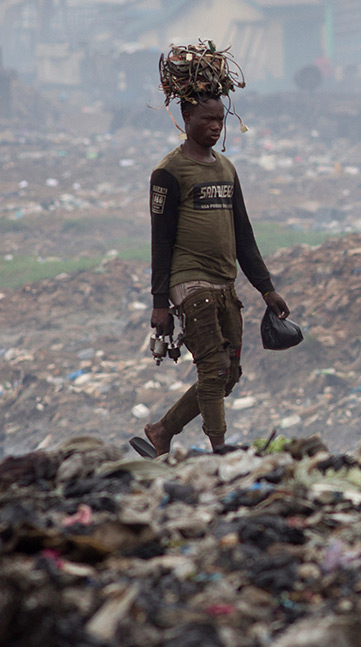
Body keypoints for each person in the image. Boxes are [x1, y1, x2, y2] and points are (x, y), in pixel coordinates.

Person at [141, 94, 289, 456]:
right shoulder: (169, 172)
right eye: (207, 119)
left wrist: (266, 289)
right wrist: (160, 303)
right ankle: (219, 449)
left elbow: (243, 233)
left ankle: (163, 430)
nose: (215, 127)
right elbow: (160, 241)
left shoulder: (226, 169)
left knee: (230, 373)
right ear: (186, 117)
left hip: (225, 282)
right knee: (213, 367)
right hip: (190, 282)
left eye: (220, 120)